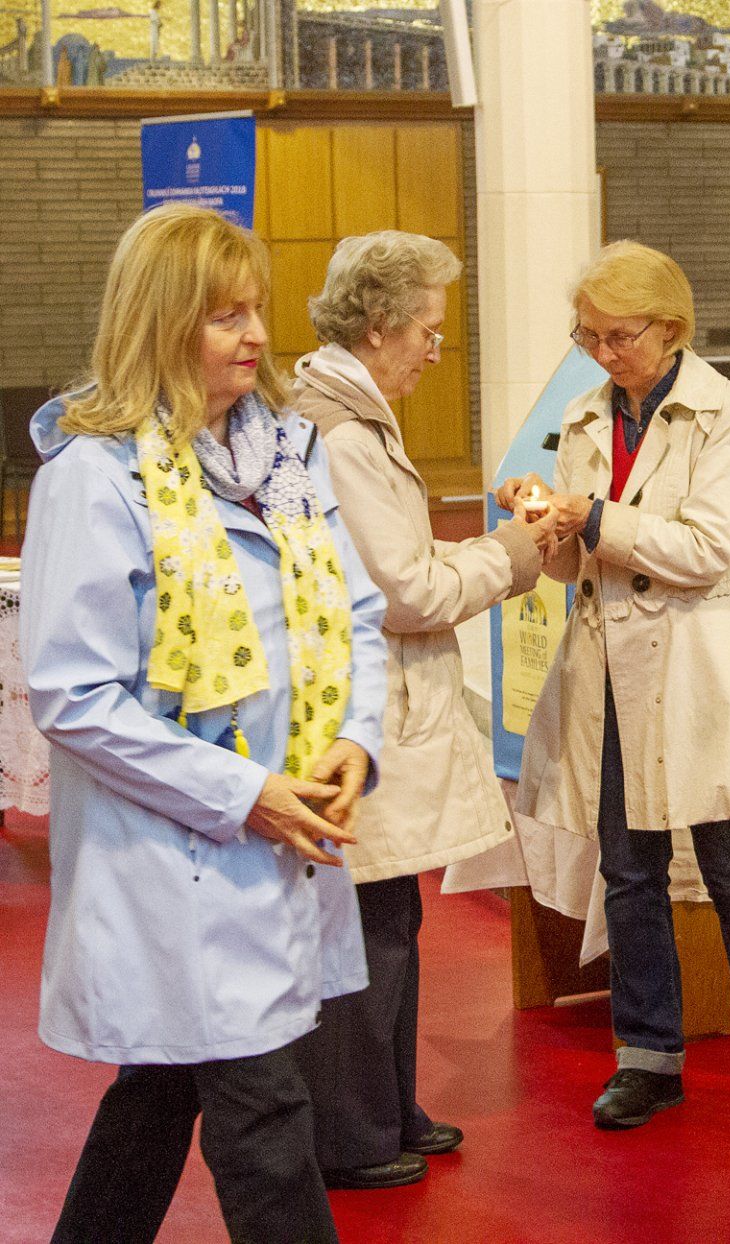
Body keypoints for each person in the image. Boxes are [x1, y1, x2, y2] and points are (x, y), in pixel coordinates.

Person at [21, 204, 389, 1244]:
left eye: (256, 311)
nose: (257, 337)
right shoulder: (95, 477)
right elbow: (74, 694)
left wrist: (354, 739)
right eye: (225, 316)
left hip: (282, 833)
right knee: (264, 1111)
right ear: (161, 323)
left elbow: (353, 612)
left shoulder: (287, 457)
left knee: (162, 1090)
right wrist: (243, 794)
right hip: (174, 854)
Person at [493, 241, 730, 1132]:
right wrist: (544, 523)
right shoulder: (585, 415)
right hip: (609, 668)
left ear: (670, 329)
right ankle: (646, 1058)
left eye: (619, 336)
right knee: (628, 875)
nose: (602, 353)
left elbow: (711, 548)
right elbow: (576, 567)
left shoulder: (728, 415)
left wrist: (591, 518)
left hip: (698, 665)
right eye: (588, 335)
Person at [287, 232, 553, 1190]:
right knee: (364, 927)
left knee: (391, 914)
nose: (438, 351)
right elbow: (402, 591)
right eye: (429, 332)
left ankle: (389, 1108)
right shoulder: (341, 432)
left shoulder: (355, 414)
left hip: (380, 698)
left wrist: (477, 549)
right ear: (379, 323)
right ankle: (352, 1137)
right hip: (364, 705)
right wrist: (514, 553)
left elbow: (399, 562)